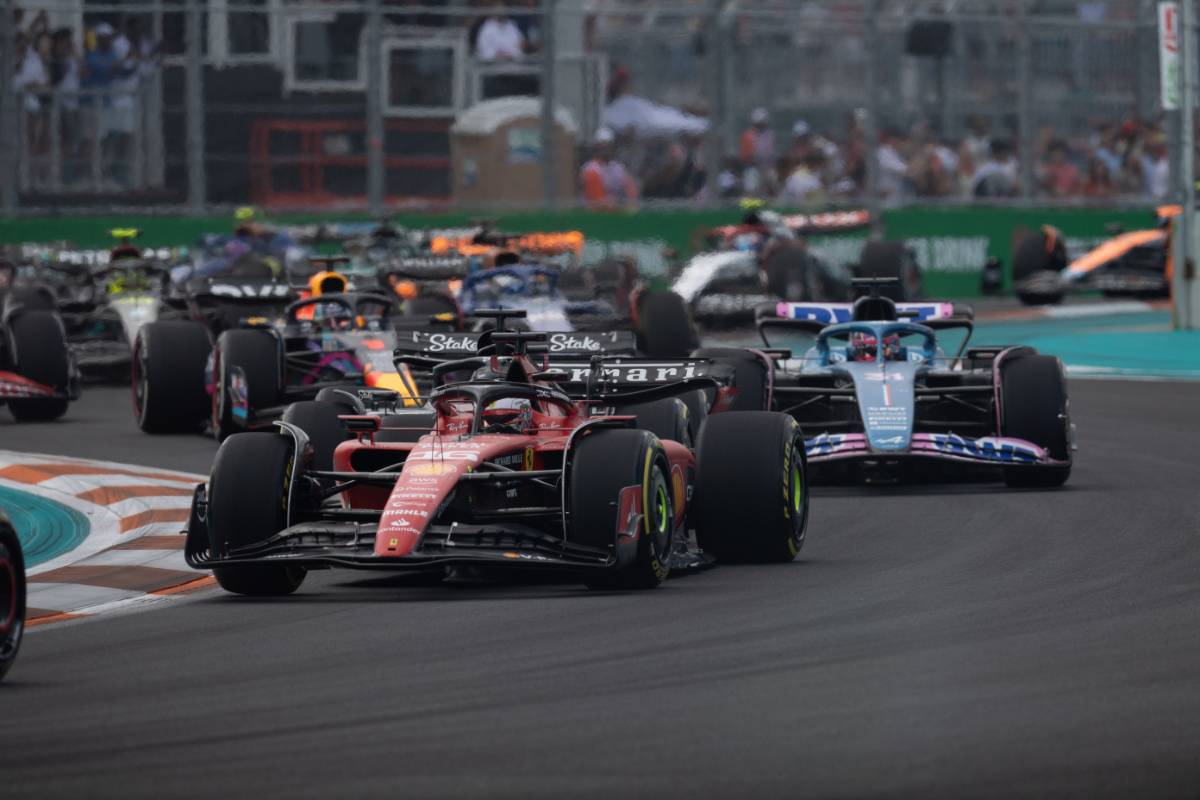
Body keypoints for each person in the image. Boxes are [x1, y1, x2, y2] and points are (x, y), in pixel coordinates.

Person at [579, 127, 637, 209]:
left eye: (608, 145)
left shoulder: (619, 168)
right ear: (597, 147)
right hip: (595, 213)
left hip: (617, 210)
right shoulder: (590, 169)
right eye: (602, 145)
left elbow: (631, 192)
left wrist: (629, 203)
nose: (606, 149)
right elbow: (598, 200)